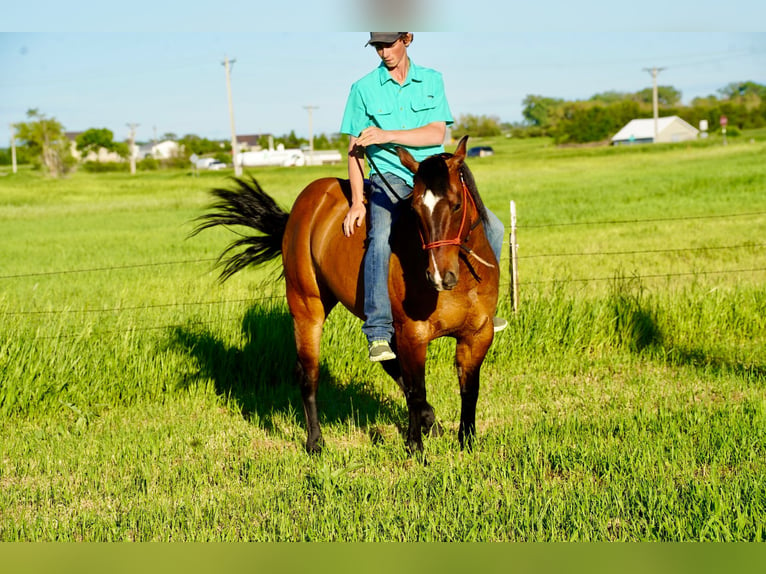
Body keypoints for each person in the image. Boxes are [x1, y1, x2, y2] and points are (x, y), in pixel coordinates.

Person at [340, 32, 506, 362]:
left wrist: (386, 134)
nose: (384, 52)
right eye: (378, 46)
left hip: (433, 172)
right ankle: (378, 330)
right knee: (381, 235)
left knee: (495, 227)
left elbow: (436, 133)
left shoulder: (432, 79)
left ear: (407, 39)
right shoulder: (362, 89)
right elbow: (354, 151)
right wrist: (358, 201)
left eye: (389, 44)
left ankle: (485, 306)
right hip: (390, 174)